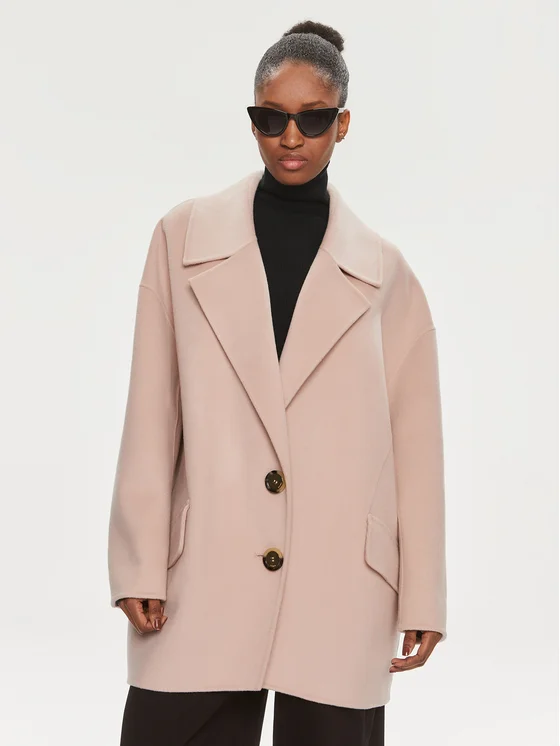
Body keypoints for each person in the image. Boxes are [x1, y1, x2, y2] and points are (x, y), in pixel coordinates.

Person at [108, 19, 447, 746]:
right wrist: (138, 561)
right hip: (204, 570)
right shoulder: (182, 238)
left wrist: (424, 592)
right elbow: (151, 411)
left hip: (340, 579)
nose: (291, 137)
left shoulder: (387, 275)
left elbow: (416, 449)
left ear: (342, 124)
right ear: (253, 120)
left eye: (313, 119)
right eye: (272, 118)